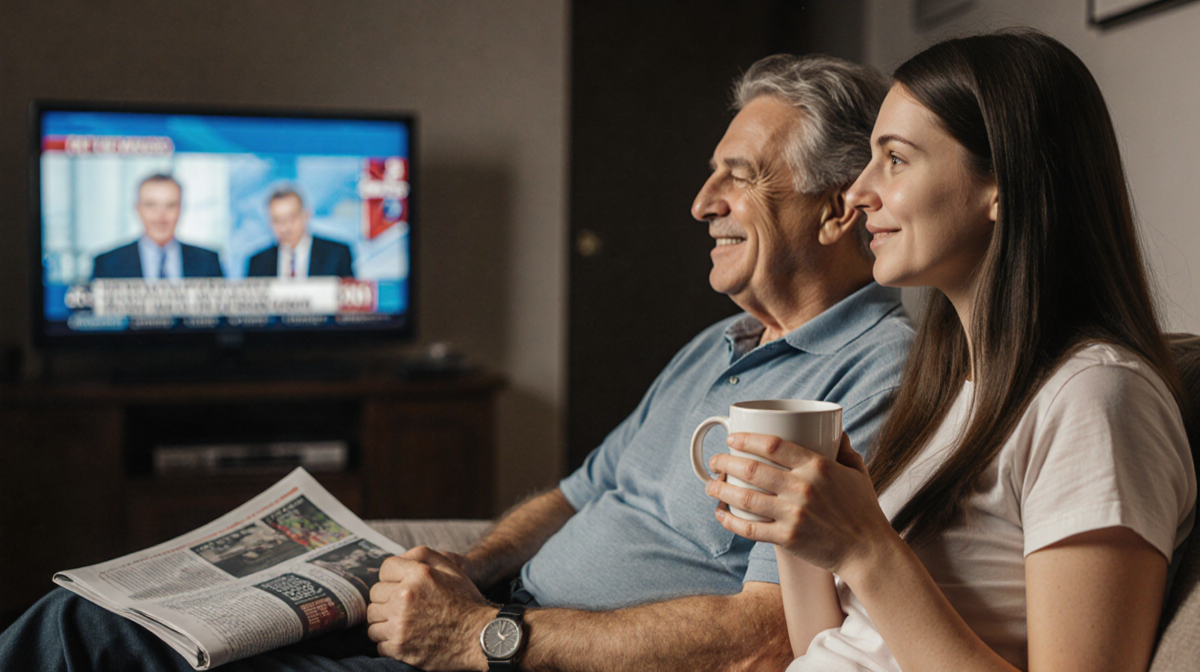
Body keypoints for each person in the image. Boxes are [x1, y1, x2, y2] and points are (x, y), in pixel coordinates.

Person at [0, 54, 913, 672]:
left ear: (837, 212)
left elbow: (765, 633)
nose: (699, 202)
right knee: (83, 621)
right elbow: (581, 492)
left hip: (517, 655)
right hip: (495, 618)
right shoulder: (715, 345)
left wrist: (488, 633)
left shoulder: (874, 374)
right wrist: (473, 566)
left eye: (739, 176)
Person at [704, 30, 1197, 672]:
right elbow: (831, 648)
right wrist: (801, 529)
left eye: (897, 159)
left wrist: (865, 546)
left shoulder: (1097, 399)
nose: (856, 194)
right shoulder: (954, 390)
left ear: (1003, 183)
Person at [92, 173, 224, 280]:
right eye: (151, 205)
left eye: (170, 206)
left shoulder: (207, 261)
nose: (161, 217)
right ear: (138, 209)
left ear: (181, 209)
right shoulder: (107, 263)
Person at [247, 187, 354, 279]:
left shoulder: (336, 255)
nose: (285, 227)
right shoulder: (258, 263)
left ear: (306, 215)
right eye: (278, 220)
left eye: (291, 218)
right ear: (270, 223)